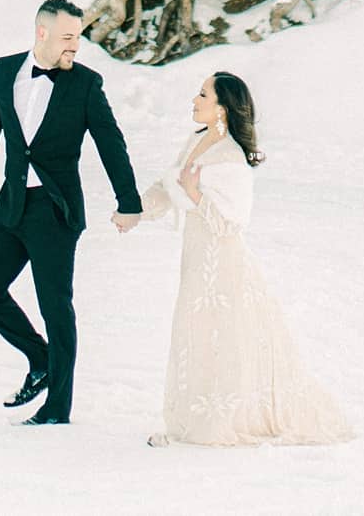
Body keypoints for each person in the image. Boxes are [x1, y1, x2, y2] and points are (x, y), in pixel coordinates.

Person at [0, 0, 143, 426]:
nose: (75, 46)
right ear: (43, 33)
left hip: (55, 212)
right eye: (67, 38)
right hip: (12, 205)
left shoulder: (86, 84)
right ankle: (40, 358)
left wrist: (128, 202)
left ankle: (57, 408)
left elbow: (111, 145)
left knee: (55, 307)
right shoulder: (4, 71)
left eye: (78, 37)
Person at [138, 72, 353, 447]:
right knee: (197, 334)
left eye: (202, 94)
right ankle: (193, 415)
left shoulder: (231, 159)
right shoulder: (196, 141)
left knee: (223, 336)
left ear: (221, 108)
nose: (194, 99)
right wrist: (133, 212)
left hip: (222, 263)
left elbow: (232, 223)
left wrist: (197, 195)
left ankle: (221, 418)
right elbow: (168, 186)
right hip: (195, 259)